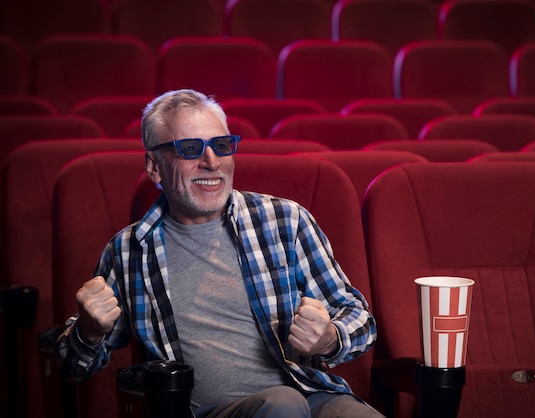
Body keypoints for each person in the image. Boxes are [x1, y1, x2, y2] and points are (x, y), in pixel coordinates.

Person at [56, 89, 382, 418]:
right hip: (214, 413)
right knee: (282, 405)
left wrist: (329, 338)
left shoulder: (286, 221)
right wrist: (89, 331)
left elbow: (360, 319)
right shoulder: (129, 251)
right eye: (190, 149)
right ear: (154, 167)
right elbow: (72, 368)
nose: (211, 162)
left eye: (221, 146)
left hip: (311, 396)